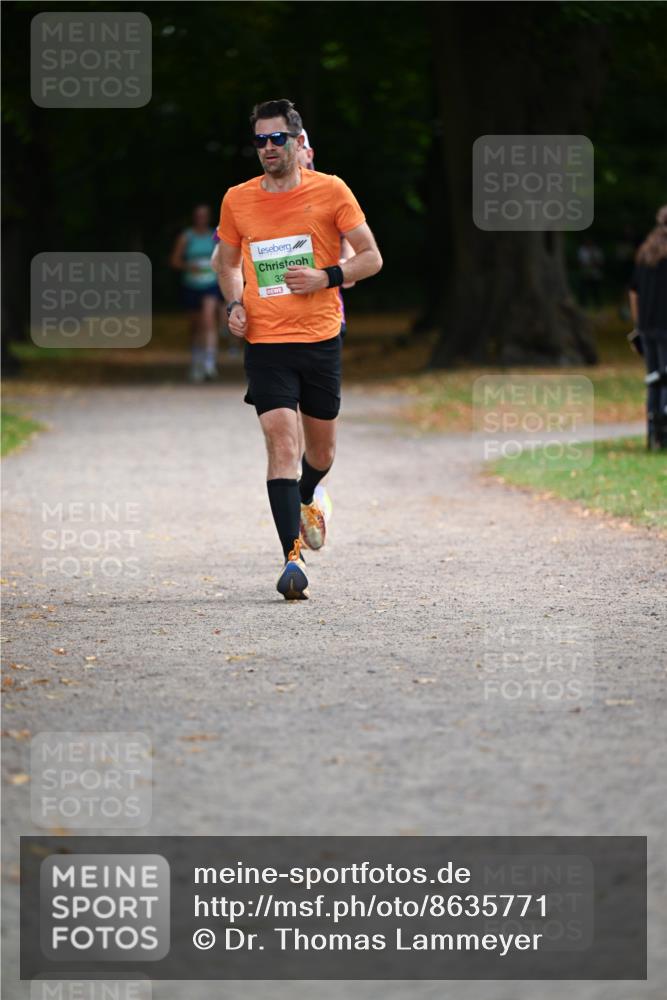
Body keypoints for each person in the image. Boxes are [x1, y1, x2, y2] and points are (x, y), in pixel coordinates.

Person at [214, 98, 382, 599]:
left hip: (321, 339)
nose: (267, 147)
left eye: (277, 139)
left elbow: (371, 257)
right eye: (260, 140)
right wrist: (232, 305)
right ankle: (291, 560)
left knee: (322, 451)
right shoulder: (237, 199)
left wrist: (326, 276)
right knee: (281, 443)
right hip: (267, 343)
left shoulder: (332, 191)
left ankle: (309, 492)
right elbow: (226, 264)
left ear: (296, 139)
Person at [629, 205, 667, 450]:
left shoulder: (646, 252)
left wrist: (638, 324)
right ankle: (664, 433)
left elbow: (634, 291)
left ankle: (653, 433)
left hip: (647, 328)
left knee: (653, 379)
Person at [170, 205, 223, 382]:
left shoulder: (215, 235)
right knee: (195, 325)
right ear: (194, 218)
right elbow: (175, 261)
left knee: (208, 320)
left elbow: (224, 257)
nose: (201, 218)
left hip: (210, 283)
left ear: (208, 217)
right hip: (191, 284)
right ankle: (196, 361)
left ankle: (209, 364)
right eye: (198, 216)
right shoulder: (187, 236)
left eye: (204, 216)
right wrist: (188, 266)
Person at [577, 237, 604, 309]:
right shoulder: (582, 250)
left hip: (595, 274)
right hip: (585, 273)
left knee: (596, 290)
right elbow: (580, 262)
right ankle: (583, 305)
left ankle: (598, 305)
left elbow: (600, 262)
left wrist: (593, 263)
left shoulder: (596, 250)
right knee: (583, 290)